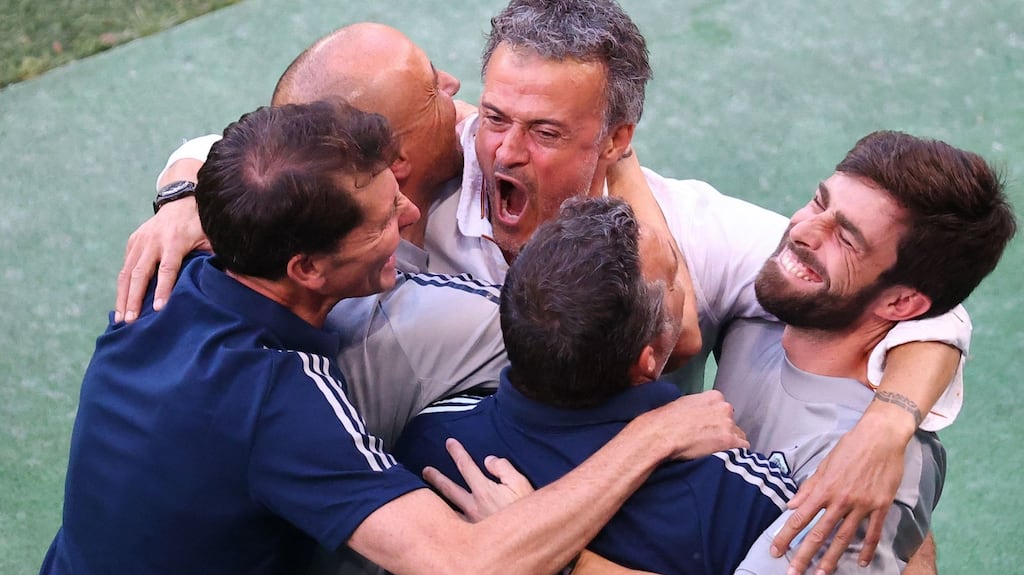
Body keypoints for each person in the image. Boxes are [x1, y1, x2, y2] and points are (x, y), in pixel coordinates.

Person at [115, 1, 973, 569]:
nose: (503, 151)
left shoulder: (695, 234)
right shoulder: (435, 167)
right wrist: (189, 190)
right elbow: (264, 144)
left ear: (615, 137)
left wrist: (891, 425)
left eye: (545, 130)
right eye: (491, 115)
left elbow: (926, 299)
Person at [41, 99, 749, 575]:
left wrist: (179, 193)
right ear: (306, 267)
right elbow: (467, 563)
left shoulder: (175, 274)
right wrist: (653, 435)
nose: (410, 214)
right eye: (382, 222)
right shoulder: (278, 398)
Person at [395, 196, 797, 575]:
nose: (683, 286)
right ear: (649, 360)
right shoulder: (739, 499)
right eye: (675, 278)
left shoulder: (429, 442)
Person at [710, 131, 1016, 573]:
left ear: (900, 304)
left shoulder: (874, 481)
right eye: (819, 202)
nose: (803, 231)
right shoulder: (767, 306)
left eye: (847, 240)